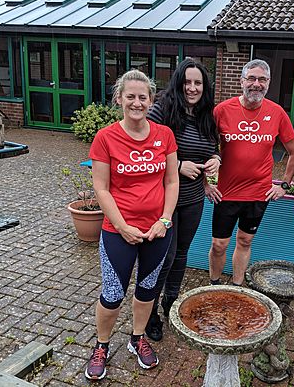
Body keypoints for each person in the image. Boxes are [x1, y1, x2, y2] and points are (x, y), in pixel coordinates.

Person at [85, 69, 179, 380]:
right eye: (130, 96)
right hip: (118, 232)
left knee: (147, 289)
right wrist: (123, 226)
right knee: (113, 294)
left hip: (157, 231)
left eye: (143, 97)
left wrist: (165, 219)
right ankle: (101, 345)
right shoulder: (106, 137)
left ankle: (137, 339)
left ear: (151, 100)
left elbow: (171, 180)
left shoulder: (164, 135)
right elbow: (101, 188)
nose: (136, 102)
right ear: (119, 99)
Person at [145, 58, 220, 341]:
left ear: (204, 86)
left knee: (181, 254)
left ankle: (170, 302)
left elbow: (215, 147)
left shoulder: (206, 116)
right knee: (163, 256)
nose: (192, 87)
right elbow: (144, 147)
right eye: (187, 82)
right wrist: (177, 166)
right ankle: (149, 310)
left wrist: (216, 159)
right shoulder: (162, 109)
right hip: (163, 199)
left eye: (197, 83)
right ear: (178, 83)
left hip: (193, 198)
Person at [208, 59, 294, 286]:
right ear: (242, 81)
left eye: (262, 79)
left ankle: (237, 286)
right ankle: (214, 283)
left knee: (245, 241)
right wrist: (206, 183)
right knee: (219, 245)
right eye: (251, 78)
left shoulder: (277, 113)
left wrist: (285, 184)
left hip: (258, 193)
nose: (256, 84)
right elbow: (205, 148)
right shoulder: (222, 110)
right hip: (225, 192)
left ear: (268, 83)